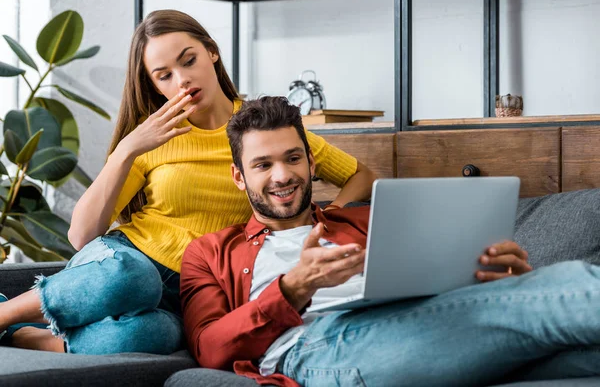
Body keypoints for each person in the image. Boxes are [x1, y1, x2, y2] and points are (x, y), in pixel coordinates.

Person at [0, 10, 375, 355]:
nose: (182, 80)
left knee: (153, 338)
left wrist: (330, 214)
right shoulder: (153, 135)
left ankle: (24, 338)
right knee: (130, 278)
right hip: (126, 261)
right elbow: (81, 236)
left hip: (195, 289)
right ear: (154, 85)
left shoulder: (262, 130)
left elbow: (362, 176)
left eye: (189, 60)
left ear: (211, 52)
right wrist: (128, 149)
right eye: (164, 75)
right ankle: (4, 314)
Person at [180, 96, 600, 387]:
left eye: (292, 159)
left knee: (583, 353)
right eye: (262, 164)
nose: (282, 175)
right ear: (240, 177)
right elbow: (210, 349)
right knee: (570, 286)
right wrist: (295, 287)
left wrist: (496, 279)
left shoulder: (370, 218)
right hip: (319, 350)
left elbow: (437, 286)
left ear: (310, 163)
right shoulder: (210, 252)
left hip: (421, 323)